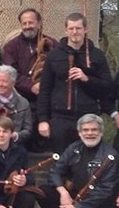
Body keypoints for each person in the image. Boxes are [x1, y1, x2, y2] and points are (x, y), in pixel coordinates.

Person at [35, 114, 119, 208]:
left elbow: (106, 192)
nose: (89, 133)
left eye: (94, 130)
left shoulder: (110, 156)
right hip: (73, 196)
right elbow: (55, 171)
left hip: (96, 206)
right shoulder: (74, 148)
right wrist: (63, 192)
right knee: (44, 191)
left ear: (101, 132)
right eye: (85, 130)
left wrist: (76, 207)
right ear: (79, 133)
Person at [36, 13, 112, 154]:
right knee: (61, 161)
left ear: (85, 29)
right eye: (71, 28)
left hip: (88, 117)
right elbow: (45, 90)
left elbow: (107, 87)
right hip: (60, 118)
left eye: (78, 28)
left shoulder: (97, 55)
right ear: (66, 30)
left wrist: (86, 79)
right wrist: (43, 119)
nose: (74, 32)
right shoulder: (54, 56)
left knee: (87, 160)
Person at [2, 8, 57, 104]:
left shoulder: (52, 44)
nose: (27, 26)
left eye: (31, 22)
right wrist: (30, 86)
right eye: (24, 23)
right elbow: (11, 73)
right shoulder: (11, 46)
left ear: (39, 23)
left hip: (49, 94)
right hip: (21, 95)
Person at [0, 65, 33, 149]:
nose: (0, 84)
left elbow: (28, 130)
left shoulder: (23, 103)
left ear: (13, 83)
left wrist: (16, 136)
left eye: (4, 81)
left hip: (16, 148)